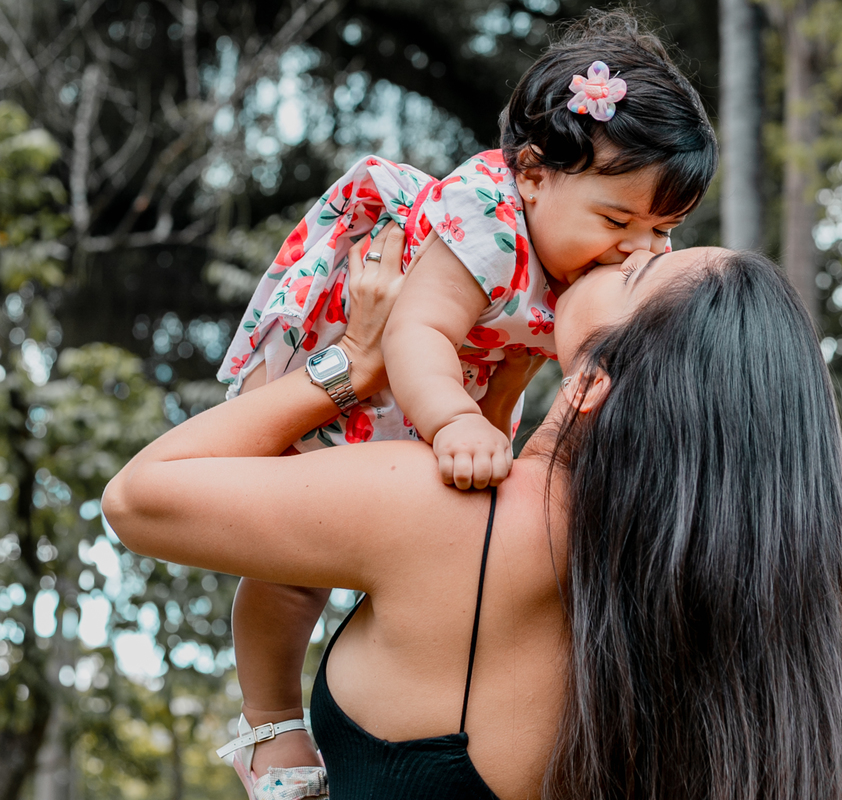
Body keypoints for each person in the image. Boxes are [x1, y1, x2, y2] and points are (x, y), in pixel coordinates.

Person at [103, 242, 842, 800]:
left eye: (640, 267)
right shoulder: (715, 656)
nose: (622, 248)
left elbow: (141, 497)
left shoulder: (454, 516)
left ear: (591, 388)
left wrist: (353, 362)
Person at [215, 13, 717, 791]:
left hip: (453, 388)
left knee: (407, 548)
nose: (638, 249)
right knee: (293, 571)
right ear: (532, 173)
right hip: (357, 353)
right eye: (617, 221)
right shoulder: (483, 220)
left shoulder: (613, 251)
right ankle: (269, 722)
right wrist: (452, 420)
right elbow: (415, 333)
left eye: (663, 229)